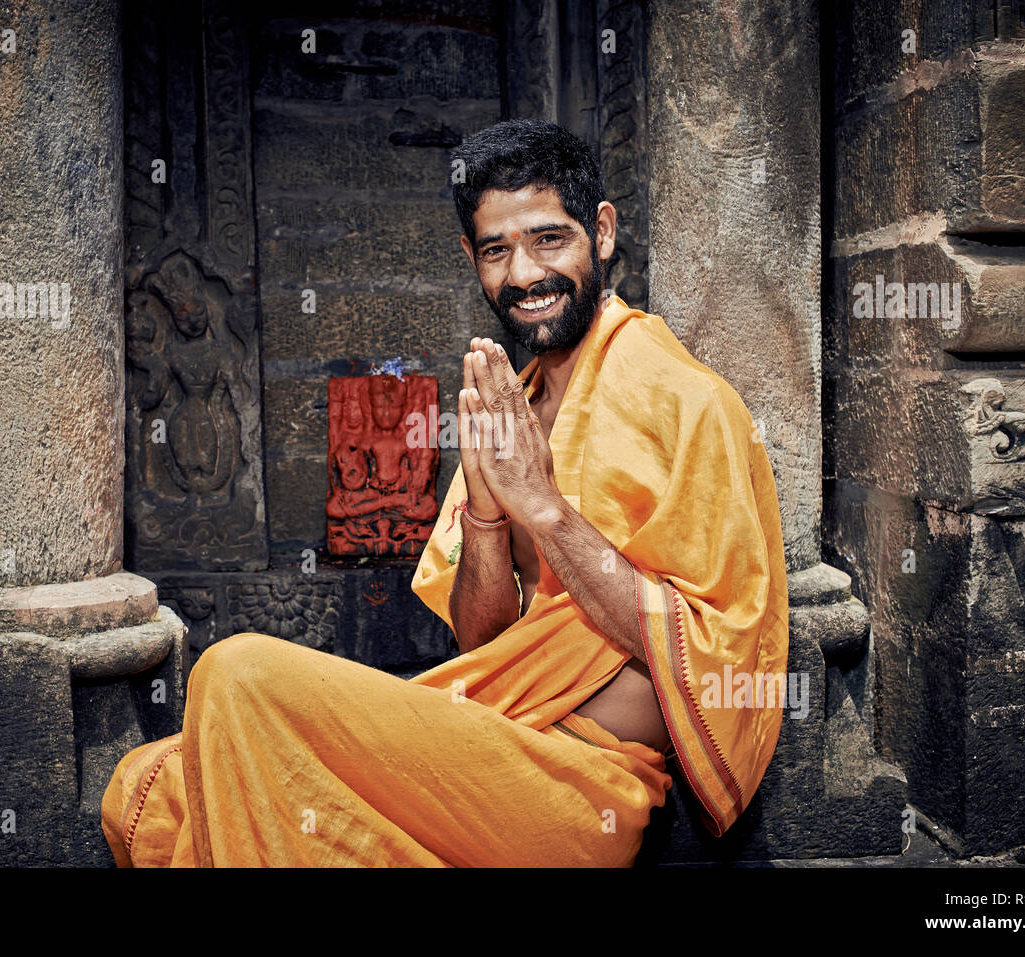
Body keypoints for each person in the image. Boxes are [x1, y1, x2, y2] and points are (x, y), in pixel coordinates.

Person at [101, 119, 790, 867]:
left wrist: (548, 511)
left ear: (603, 231)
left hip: (577, 779)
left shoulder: (686, 400)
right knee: (150, 794)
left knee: (235, 679)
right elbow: (483, 643)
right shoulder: (511, 405)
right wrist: (490, 514)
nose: (524, 275)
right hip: (483, 730)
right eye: (497, 250)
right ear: (472, 258)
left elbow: (718, 652)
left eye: (549, 239)